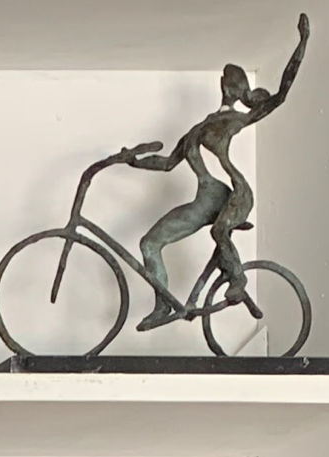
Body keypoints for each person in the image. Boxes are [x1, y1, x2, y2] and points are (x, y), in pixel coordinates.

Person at [126, 14, 307, 329]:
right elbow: (167, 163)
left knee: (218, 231)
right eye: (226, 79)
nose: (227, 83)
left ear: (239, 90)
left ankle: (237, 279)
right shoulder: (198, 129)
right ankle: (163, 305)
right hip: (206, 198)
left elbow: (281, 95)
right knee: (149, 243)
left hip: (235, 196)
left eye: (232, 81)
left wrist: (302, 43)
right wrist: (132, 160)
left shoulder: (238, 120)